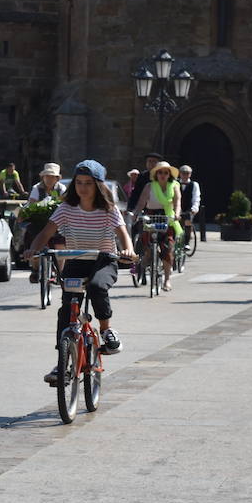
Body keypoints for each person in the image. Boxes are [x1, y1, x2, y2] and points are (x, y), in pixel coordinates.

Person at [24, 160, 136, 384]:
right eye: (78, 183)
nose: (82, 187)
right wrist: (34, 249)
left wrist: (128, 250)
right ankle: (62, 362)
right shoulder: (66, 208)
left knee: (96, 287)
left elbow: (123, 235)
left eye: (88, 183)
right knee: (67, 309)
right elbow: (46, 232)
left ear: (98, 185)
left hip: (104, 261)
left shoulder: (108, 209)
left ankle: (106, 331)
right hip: (76, 260)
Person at [132, 161, 182, 291]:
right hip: (152, 216)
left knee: (167, 249)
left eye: (166, 173)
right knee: (147, 242)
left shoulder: (174, 186)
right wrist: (136, 213)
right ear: (156, 174)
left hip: (167, 218)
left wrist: (177, 214)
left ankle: (167, 280)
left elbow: (177, 203)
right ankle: (147, 257)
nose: (163, 175)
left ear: (169, 174)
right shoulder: (149, 186)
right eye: (160, 172)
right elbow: (141, 202)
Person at [22, 163, 65, 281]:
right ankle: (35, 268)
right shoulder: (37, 188)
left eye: (52, 177)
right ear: (43, 177)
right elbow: (32, 203)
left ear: (57, 178)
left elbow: (65, 204)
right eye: (47, 176)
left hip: (56, 222)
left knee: (61, 242)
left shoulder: (61, 189)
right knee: (31, 236)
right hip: (39, 221)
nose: (49, 179)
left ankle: (60, 273)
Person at [179, 164, 201, 238]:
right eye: (183, 173)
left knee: (187, 221)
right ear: (180, 173)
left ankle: (186, 242)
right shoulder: (176, 183)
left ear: (190, 174)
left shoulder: (194, 184)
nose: (185, 175)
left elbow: (196, 197)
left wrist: (194, 208)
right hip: (178, 206)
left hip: (188, 207)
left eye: (187, 173)